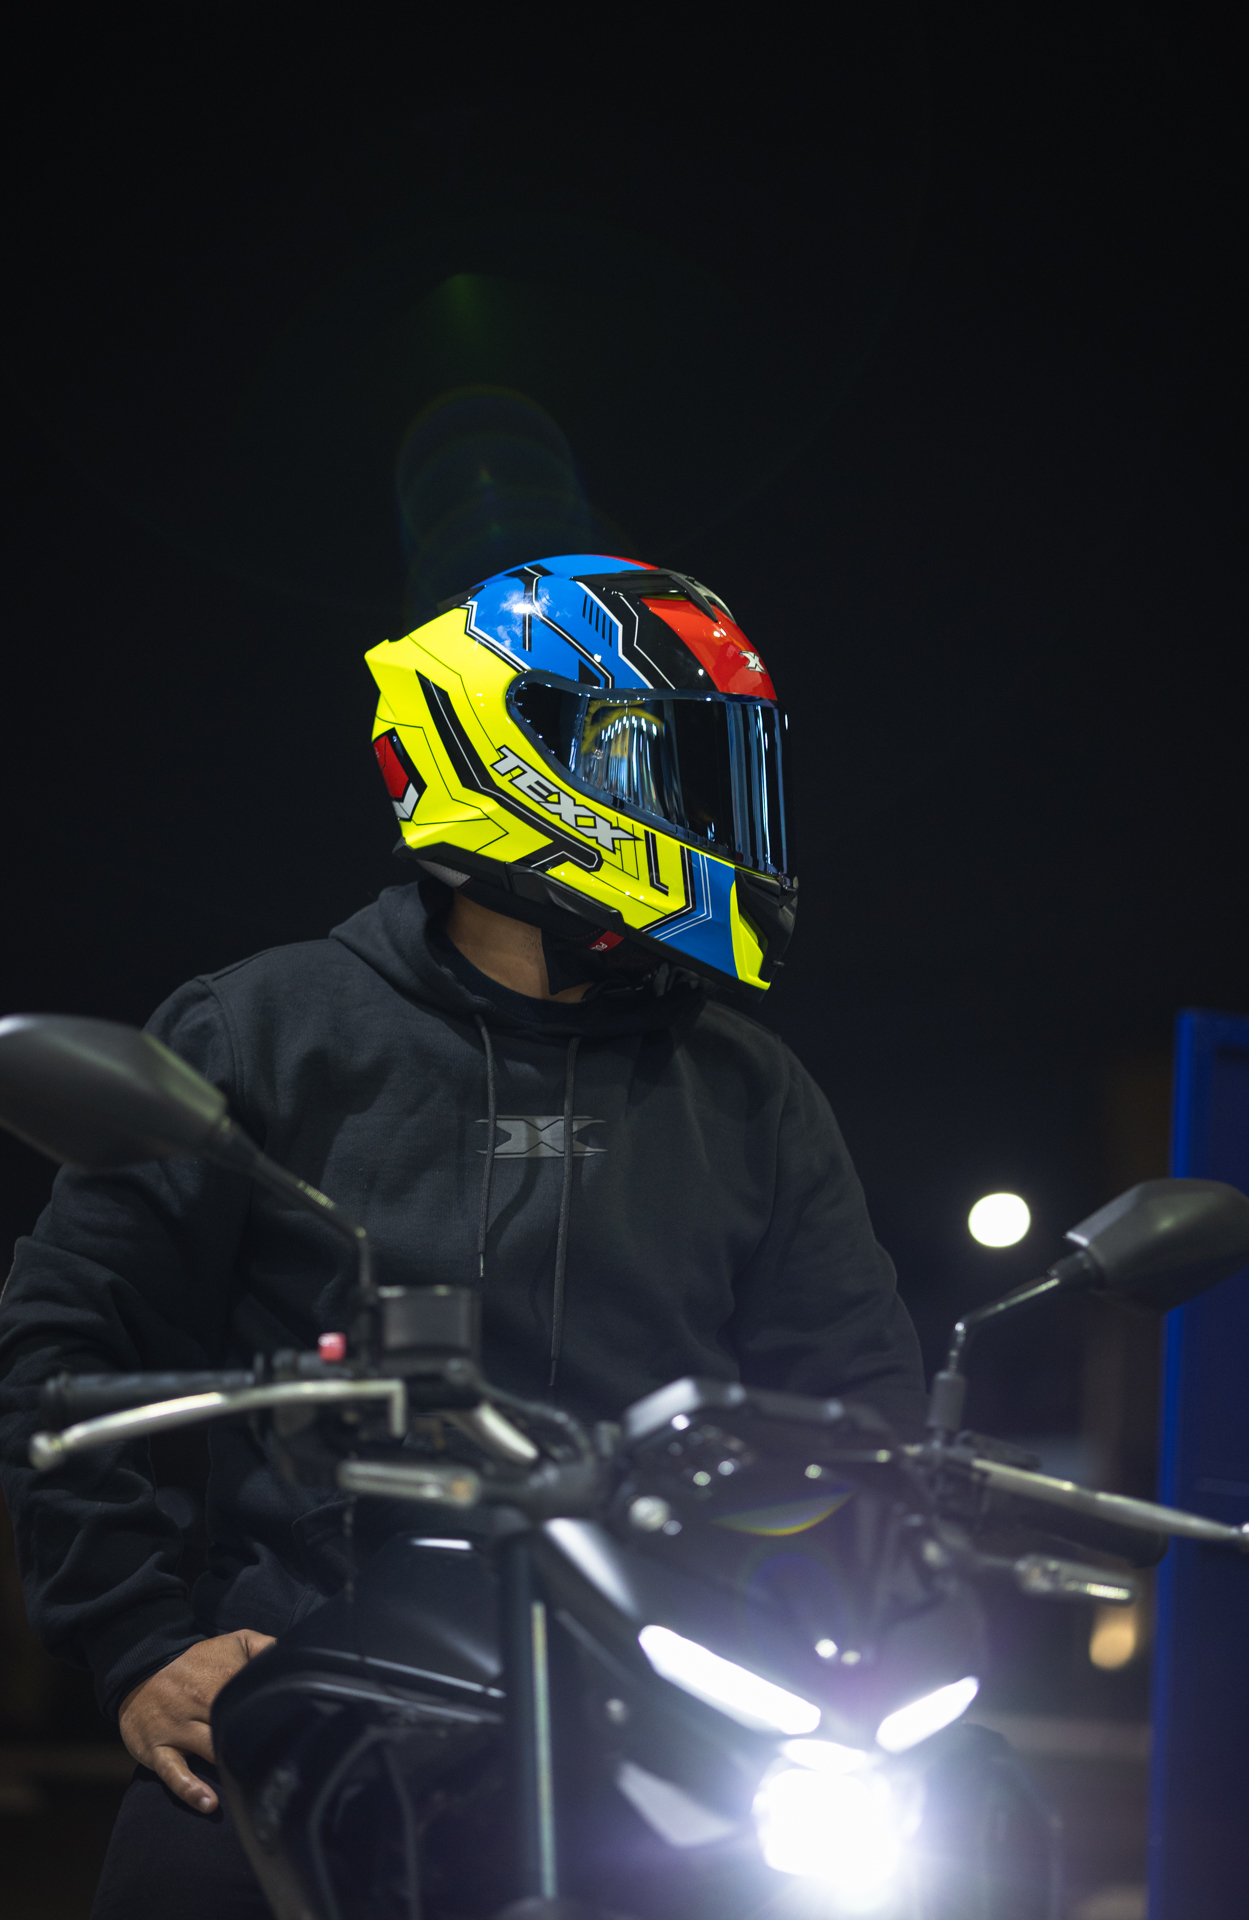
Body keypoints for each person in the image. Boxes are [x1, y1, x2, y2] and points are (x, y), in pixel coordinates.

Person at [0, 554, 924, 1916]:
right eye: (656, 760)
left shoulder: (747, 1089)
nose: (708, 806)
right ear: (505, 750)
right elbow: (67, 1345)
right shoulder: (263, 1031)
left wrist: (860, 1634)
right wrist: (139, 1644)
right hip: (304, 1712)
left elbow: (863, 1405)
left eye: (719, 768)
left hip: (666, 1737)